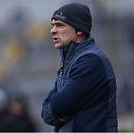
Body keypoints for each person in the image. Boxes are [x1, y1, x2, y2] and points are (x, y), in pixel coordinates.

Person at [41, 3, 118, 132]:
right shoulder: (71, 61)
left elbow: (58, 106)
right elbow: (45, 111)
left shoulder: (90, 61)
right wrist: (58, 115)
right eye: (52, 25)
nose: (53, 30)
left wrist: (57, 111)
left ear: (79, 30)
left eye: (60, 25)